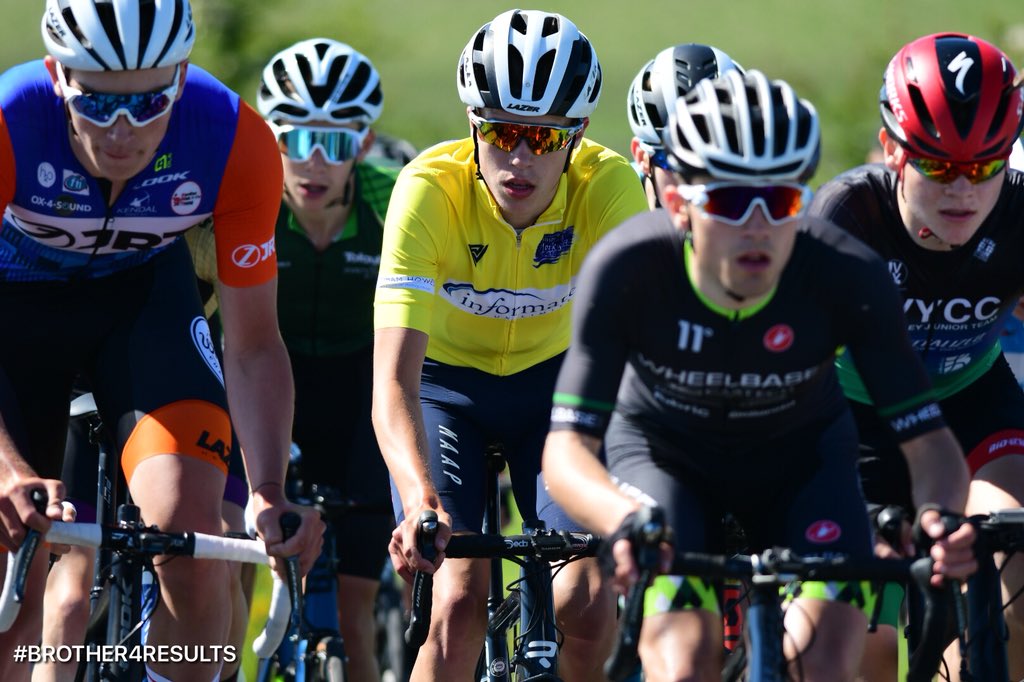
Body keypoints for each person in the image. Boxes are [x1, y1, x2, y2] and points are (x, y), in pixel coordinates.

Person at [541, 69, 977, 682]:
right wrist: (621, 519)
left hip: (803, 466)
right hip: (667, 465)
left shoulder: (845, 274)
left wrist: (937, 515)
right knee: (683, 662)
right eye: (726, 200)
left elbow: (927, 439)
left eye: (779, 202)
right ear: (677, 202)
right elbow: (566, 451)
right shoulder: (627, 268)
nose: (756, 227)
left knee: (824, 666)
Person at [0, 1, 324, 681]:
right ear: (58, 74)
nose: (122, 133)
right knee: (15, 577)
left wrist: (267, 489)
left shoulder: (233, 137)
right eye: (97, 105)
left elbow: (255, 343)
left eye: (150, 105)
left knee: (195, 541)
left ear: (180, 76)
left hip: (142, 304)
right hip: (14, 315)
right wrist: (7, 471)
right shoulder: (8, 121)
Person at [372, 9, 648, 681]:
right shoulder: (427, 191)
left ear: (577, 134)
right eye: (500, 132)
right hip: (445, 392)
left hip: (552, 392)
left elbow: (645, 353)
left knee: (585, 598)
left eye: (543, 138)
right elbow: (393, 383)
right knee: (458, 598)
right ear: (473, 123)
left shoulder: (609, 188)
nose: (519, 157)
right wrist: (418, 502)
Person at [809, 32, 1024, 681]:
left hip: (974, 411)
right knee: (862, 642)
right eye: (939, 165)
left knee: (1006, 576)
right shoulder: (849, 215)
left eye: (984, 166)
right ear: (892, 151)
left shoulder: (1019, 213)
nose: (962, 189)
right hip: (855, 426)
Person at [256, 37, 400, 682]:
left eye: (337, 143)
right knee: (235, 578)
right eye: (295, 139)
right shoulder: (245, 202)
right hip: (267, 390)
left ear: (364, 146)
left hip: (359, 401)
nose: (315, 162)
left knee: (353, 613)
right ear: (270, 137)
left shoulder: (393, 201)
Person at [626, 43, 743, 209]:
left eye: (720, 162)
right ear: (642, 157)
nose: (697, 185)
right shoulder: (607, 197)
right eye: (676, 163)